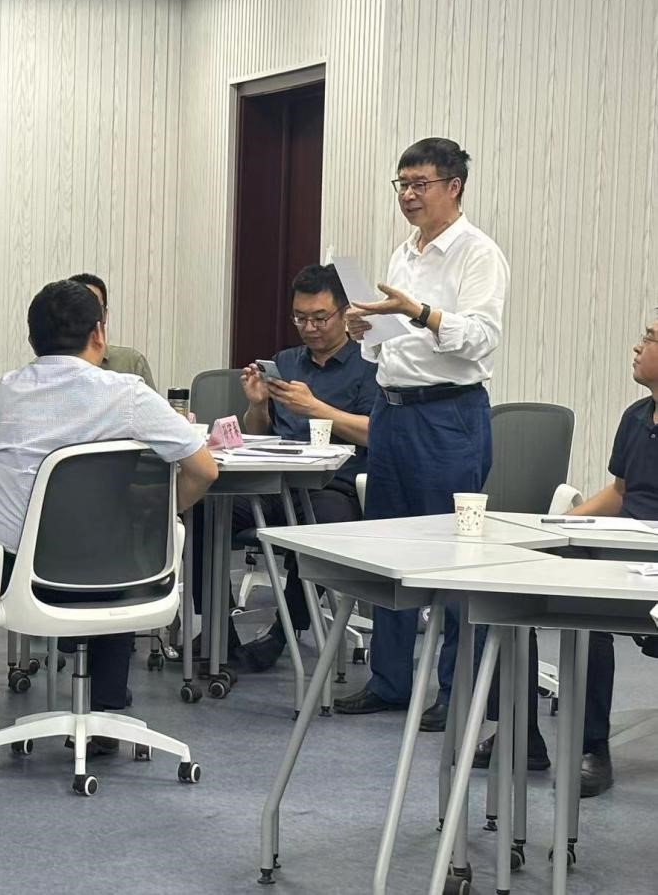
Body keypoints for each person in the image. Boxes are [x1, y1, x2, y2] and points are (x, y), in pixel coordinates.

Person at [0, 279, 218, 755]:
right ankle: (106, 714)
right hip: (107, 574)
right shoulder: (128, 395)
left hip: (16, 577)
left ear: (32, 340)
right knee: (121, 558)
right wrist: (159, 512)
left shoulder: (0, 394)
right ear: (99, 333)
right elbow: (204, 469)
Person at [338, 137, 509, 733]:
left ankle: (456, 690)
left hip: (447, 414)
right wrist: (364, 329)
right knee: (390, 550)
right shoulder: (402, 253)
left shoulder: (477, 252)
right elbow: (391, 343)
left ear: (453, 187)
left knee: (451, 557)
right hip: (391, 410)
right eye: (402, 184)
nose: (408, 195)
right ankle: (389, 680)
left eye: (420, 184)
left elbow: (481, 337)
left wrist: (419, 312)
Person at [474, 318, 658, 796]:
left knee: (588, 621)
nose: (637, 346)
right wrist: (553, 525)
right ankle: (520, 733)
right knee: (509, 592)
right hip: (619, 547)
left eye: (650, 339)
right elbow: (621, 492)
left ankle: (591, 747)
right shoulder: (636, 417)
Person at [230, 264, 378, 670]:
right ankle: (219, 630)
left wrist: (315, 408)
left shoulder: (369, 365)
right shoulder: (286, 362)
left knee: (317, 526)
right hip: (275, 483)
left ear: (344, 314)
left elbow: (374, 432)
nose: (309, 328)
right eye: (300, 318)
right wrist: (258, 404)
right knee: (209, 510)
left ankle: (282, 634)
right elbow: (259, 433)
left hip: (334, 487)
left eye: (319, 318)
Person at [69, 273, 156, 388]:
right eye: (78, 306)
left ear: (105, 314)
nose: (86, 313)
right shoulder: (50, 365)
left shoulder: (131, 363)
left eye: (94, 306)